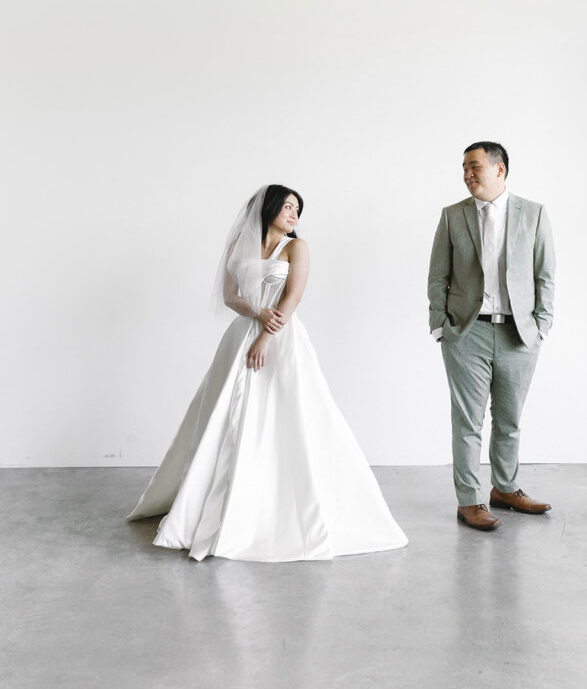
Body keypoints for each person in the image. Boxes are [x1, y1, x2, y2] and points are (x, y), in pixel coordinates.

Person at [128, 184, 408, 561]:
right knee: (224, 415)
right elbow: (229, 295)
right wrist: (255, 314)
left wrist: (264, 337)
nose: (294, 213)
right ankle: (213, 497)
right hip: (241, 334)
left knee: (287, 415)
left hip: (280, 336)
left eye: (298, 208)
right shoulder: (239, 246)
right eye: (288, 206)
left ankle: (276, 507)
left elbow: (292, 298)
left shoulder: (297, 248)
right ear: (269, 208)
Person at [428, 142, 555, 531]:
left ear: (500, 169)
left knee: (510, 418)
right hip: (467, 332)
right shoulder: (453, 216)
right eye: (464, 167)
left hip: (519, 333)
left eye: (474, 166)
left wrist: (541, 326)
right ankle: (470, 500)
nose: (467, 174)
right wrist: (440, 325)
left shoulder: (533, 214)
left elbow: (545, 274)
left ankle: (506, 488)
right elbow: (438, 275)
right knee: (467, 422)